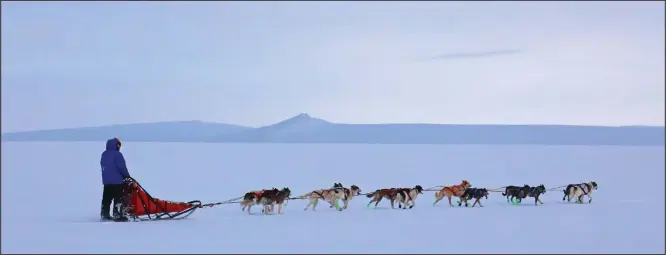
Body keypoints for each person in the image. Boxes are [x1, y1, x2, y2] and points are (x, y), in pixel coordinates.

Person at [100, 138, 131, 221]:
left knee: (106, 199)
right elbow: (121, 167)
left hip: (106, 182)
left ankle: (104, 214)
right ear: (116, 145)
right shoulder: (118, 155)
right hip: (117, 181)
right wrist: (127, 176)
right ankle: (117, 215)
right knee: (118, 199)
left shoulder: (104, 154)